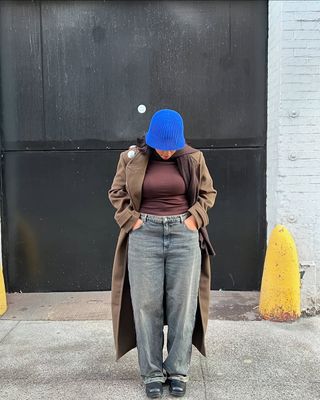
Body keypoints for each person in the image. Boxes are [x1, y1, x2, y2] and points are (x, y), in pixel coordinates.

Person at [108, 109, 217, 398]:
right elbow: (116, 192)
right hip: (145, 236)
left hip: (184, 234)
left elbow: (208, 194)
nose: (167, 152)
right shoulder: (131, 158)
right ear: (151, 139)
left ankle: (178, 370)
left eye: (172, 146)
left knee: (183, 306)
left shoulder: (193, 158)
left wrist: (194, 218)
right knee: (146, 306)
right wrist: (132, 222)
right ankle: (152, 373)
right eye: (162, 146)